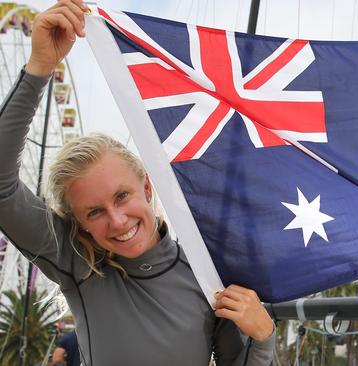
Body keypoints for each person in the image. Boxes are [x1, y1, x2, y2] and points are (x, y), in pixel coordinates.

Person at [0, 1, 275, 364]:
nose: (117, 220)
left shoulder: (209, 274)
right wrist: (39, 68)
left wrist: (264, 337)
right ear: (78, 222)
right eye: (94, 211)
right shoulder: (77, 261)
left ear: (147, 188)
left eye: (122, 196)